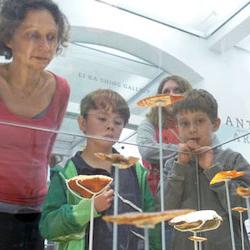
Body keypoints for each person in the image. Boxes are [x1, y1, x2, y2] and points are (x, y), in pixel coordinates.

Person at [39, 89, 161, 250]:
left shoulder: (135, 171)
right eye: (102, 118)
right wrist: (88, 208)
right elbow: (48, 227)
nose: (110, 126)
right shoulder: (65, 173)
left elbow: (151, 225)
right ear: (82, 123)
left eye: (118, 122)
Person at [0, 0, 70, 249]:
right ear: (9, 37)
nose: (45, 47)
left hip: (34, 213)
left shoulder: (61, 88)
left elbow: (45, 151)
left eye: (52, 37)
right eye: (33, 35)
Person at [161, 89, 250, 250]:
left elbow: (244, 210)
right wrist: (179, 168)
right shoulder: (171, 166)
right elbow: (163, 213)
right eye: (184, 123)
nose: (192, 129)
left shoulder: (233, 160)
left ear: (215, 124)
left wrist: (213, 171)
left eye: (200, 121)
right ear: (177, 127)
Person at [136, 75, 192, 195]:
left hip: (193, 189)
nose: (171, 95)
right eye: (166, 92)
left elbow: (213, 152)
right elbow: (147, 150)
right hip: (160, 194)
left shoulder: (196, 124)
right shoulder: (149, 123)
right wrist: (183, 150)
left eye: (177, 91)